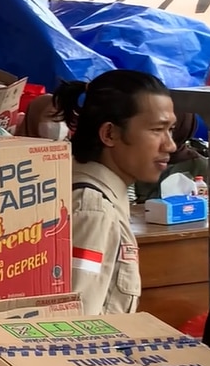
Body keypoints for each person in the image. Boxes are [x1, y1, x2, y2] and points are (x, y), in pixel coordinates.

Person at [52, 70, 177, 315]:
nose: (170, 145)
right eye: (157, 130)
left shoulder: (99, 197)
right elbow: (76, 324)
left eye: (170, 130)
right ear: (110, 134)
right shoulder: (92, 209)